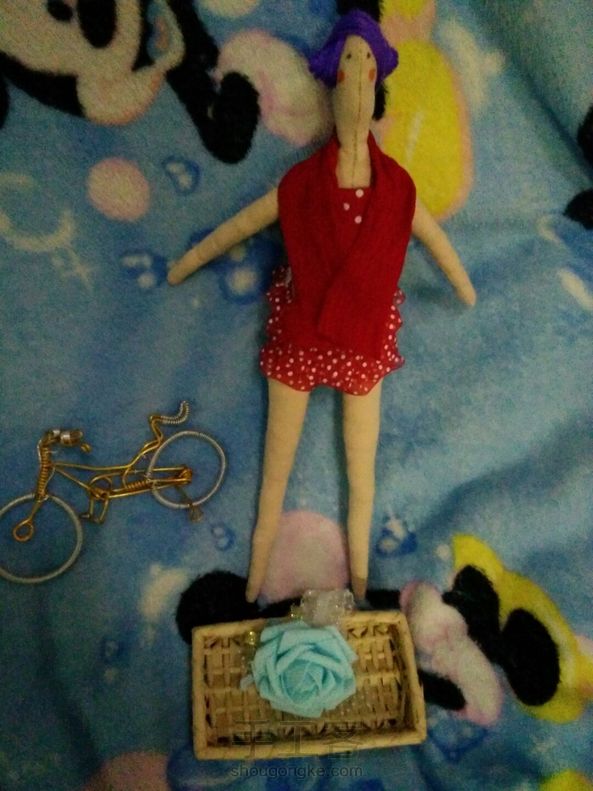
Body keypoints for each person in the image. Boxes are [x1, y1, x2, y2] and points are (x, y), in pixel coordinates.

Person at [168, 10, 476, 602]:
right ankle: (257, 571)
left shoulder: (398, 189)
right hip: (301, 334)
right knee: (275, 470)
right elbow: (238, 226)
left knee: (361, 475)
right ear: (331, 84)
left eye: (367, 68)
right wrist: (191, 259)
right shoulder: (300, 184)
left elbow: (437, 242)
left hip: (363, 341)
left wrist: (463, 285)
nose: (356, 83)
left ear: (378, 84)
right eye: (346, 68)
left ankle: (359, 577)